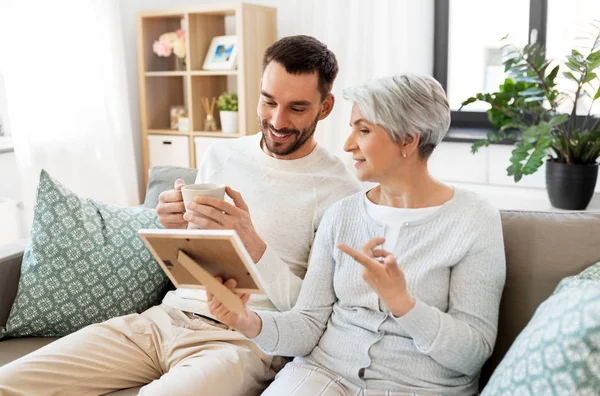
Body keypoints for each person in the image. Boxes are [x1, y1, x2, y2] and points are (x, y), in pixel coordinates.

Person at [0, 35, 361, 396]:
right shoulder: (222, 156)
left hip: (242, 342)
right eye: (268, 101)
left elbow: (315, 316)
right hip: (164, 319)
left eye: (297, 108)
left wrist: (254, 245)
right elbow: (197, 255)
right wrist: (175, 225)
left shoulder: (339, 191)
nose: (277, 120)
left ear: (325, 107)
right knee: (10, 382)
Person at [208, 74, 507, 396]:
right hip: (322, 375)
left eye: (363, 130)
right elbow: (308, 324)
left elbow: (472, 353)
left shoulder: (474, 220)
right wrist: (249, 321)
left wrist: (403, 304)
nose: (348, 144)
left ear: (408, 139)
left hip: (420, 387)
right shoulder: (342, 214)